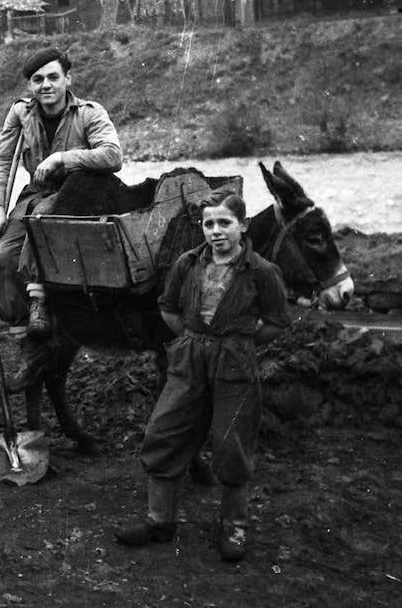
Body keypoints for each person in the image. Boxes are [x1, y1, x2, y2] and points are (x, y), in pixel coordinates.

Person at [115, 189, 290, 562]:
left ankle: (235, 527)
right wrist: (196, 340)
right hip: (190, 358)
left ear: (242, 226)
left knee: (231, 444)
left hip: (235, 363)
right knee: (165, 431)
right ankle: (160, 520)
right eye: (209, 223)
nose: (216, 231)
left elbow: (276, 321)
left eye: (225, 223)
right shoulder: (187, 264)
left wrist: (238, 342)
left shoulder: (261, 272)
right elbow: (168, 308)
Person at [0, 47, 122, 397]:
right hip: (36, 197)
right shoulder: (20, 113)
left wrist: (63, 157)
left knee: (42, 218)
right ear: (31, 85)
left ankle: (38, 302)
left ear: (67, 79)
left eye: (52, 77)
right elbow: (1, 163)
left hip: (79, 198)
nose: (45, 85)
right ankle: (28, 346)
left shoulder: (90, 113)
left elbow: (113, 154)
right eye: (37, 80)